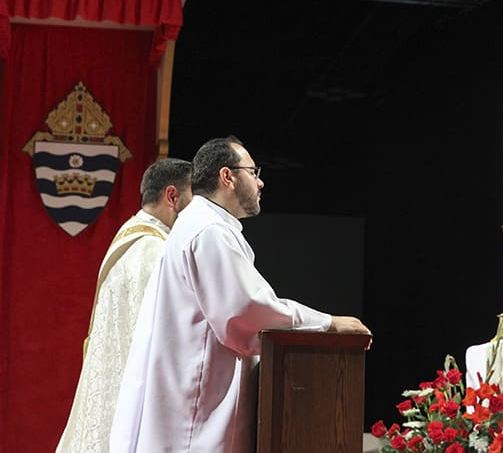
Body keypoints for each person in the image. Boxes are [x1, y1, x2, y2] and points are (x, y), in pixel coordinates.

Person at [109, 136, 371, 453]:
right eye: (253, 171)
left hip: (190, 397)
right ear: (227, 176)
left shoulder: (200, 224)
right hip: (197, 411)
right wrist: (329, 324)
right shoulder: (209, 231)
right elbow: (247, 312)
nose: (260, 182)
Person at [56, 157, 193, 453]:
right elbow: (157, 343)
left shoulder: (131, 236)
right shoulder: (152, 250)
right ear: (172, 196)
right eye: (193, 197)